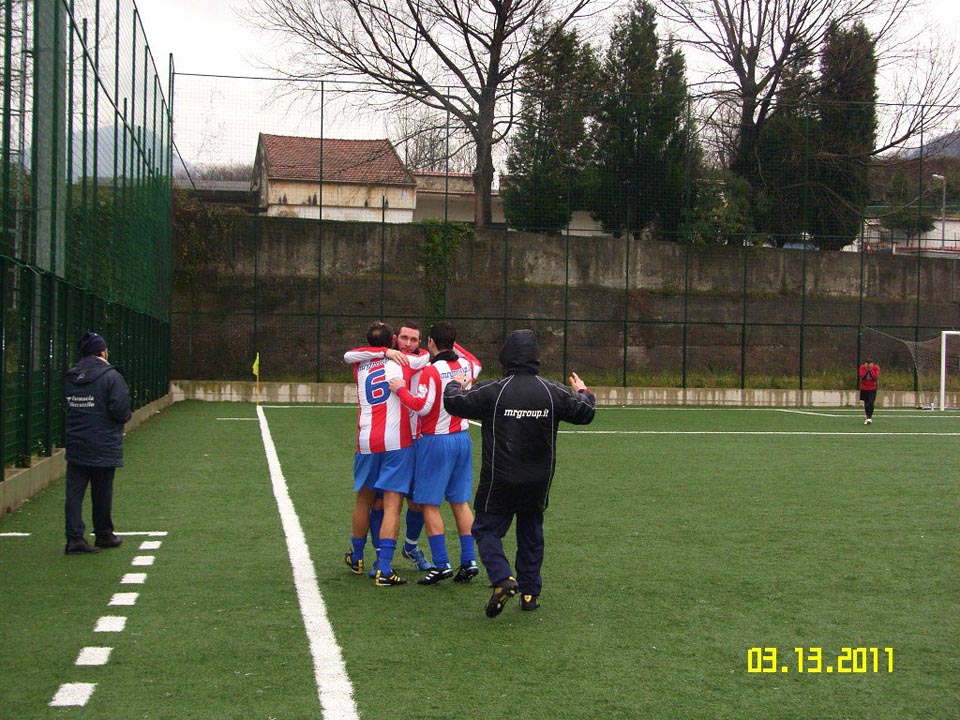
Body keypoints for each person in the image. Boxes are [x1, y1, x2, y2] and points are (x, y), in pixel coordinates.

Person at [443, 329, 596, 617]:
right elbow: (585, 412)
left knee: (486, 529)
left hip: (500, 479)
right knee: (531, 533)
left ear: (506, 356)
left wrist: (454, 384)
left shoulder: (495, 390)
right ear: (535, 357)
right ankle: (529, 593)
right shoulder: (552, 391)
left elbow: (454, 402)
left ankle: (502, 578)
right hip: (538, 479)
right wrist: (583, 391)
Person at [388, 321, 483, 585]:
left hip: (435, 441)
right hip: (462, 439)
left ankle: (441, 564)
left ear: (430, 342)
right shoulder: (465, 366)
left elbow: (422, 406)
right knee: (460, 503)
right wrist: (451, 342)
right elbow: (477, 362)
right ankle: (469, 560)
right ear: (454, 343)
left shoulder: (431, 371)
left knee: (429, 504)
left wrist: (400, 389)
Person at [342, 321, 416, 586]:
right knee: (392, 503)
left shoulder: (359, 363)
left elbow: (349, 354)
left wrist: (380, 352)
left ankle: (357, 556)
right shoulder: (402, 361)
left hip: (366, 440)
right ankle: (384, 568)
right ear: (394, 339)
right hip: (397, 440)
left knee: (364, 499)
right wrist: (389, 353)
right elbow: (427, 358)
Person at [63, 331, 131, 554]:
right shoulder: (112, 377)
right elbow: (120, 411)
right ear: (102, 352)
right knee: (102, 491)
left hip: (76, 442)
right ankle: (103, 534)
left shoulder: (71, 376)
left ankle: (74, 538)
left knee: (74, 493)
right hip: (103, 444)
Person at [858, 358, 880, 425]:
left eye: (870, 364)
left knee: (870, 402)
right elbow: (862, 376)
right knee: (866, 403)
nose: (868, 365)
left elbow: (875, 377)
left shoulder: (876, 368)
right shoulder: (862, 367)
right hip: (864, 388)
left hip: (872, 388)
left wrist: (870, 370)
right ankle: (867, 417)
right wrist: (867, 370)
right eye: (867, 364)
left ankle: (869, 417)